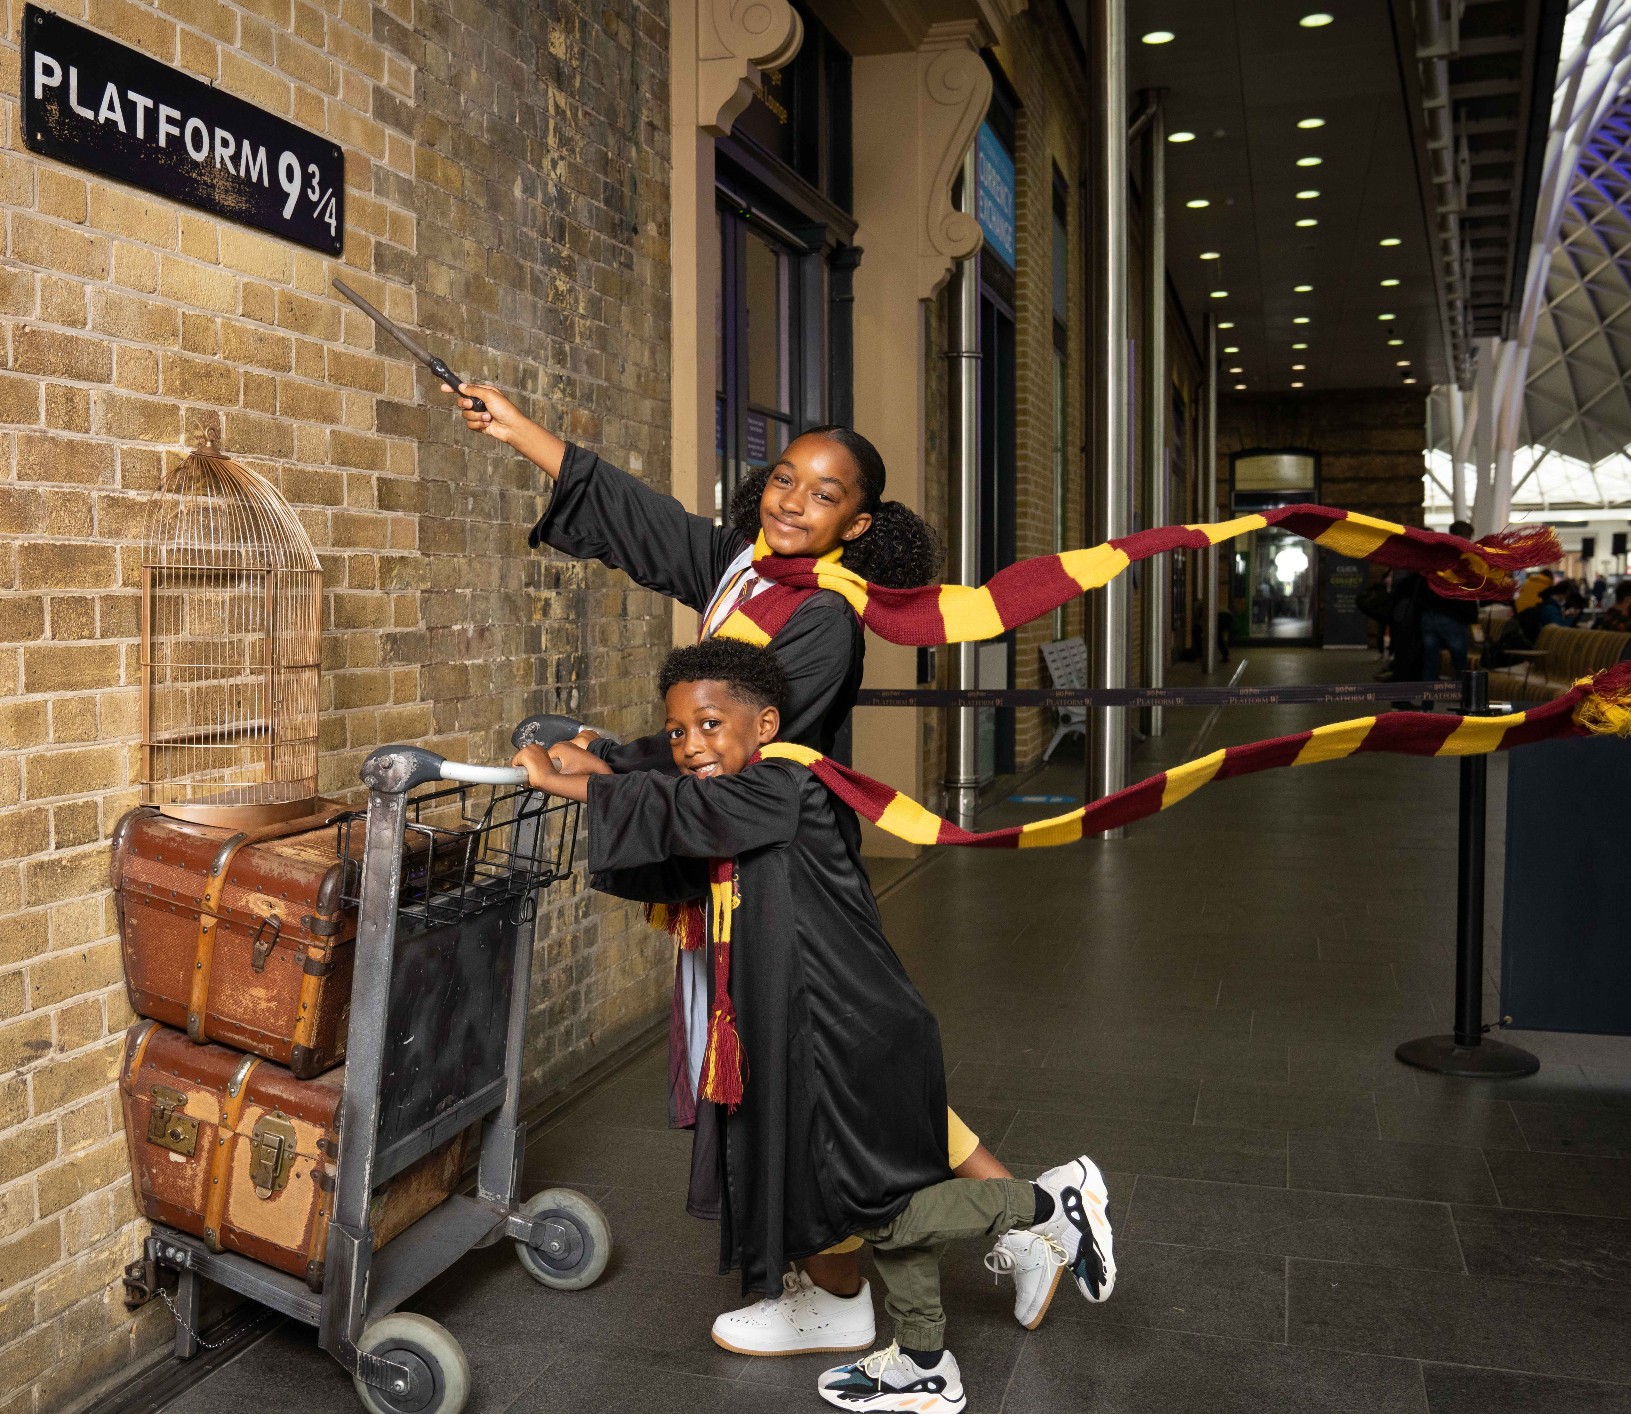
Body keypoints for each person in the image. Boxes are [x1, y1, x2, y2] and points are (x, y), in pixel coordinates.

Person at [445, 381, 1068, 1349]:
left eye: (821, 495)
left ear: (856, 523)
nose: (790, 501)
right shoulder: (745, 568)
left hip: (780, 861)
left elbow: (734, 755)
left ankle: (966, 1239)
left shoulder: (822, 613)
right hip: (739, 862)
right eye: (784, 478)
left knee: (823, 1068)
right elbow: (641, 521)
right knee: (843, 1068)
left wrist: (596, 777)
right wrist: (515, 428)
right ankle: (1016, 1224)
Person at [514, 640, 1114, 1413]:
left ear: (763, 723)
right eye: (676, 732)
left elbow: (689, 808)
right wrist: (613, 775)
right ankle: (924, 1365)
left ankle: (1043, 1206)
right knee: (870, 1198)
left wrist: (576, 785)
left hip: (846, 1037)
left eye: (708, 724)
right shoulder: (739, 799)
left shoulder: (784, 783)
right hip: (826, 1035)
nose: (691, 744)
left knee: (878, 1212)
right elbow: (680, 845)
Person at [1418, 519, 1480, 684]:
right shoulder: (1462, 558)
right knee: (1459, 661)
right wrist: (1472, 617)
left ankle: (1426, 706)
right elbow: (1465, 590)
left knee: (1430, 662)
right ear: (1463, 536)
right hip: (1452, 616)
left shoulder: (1436, 555)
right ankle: (1464, 700)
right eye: (1469, 537)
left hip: (1429, 614)